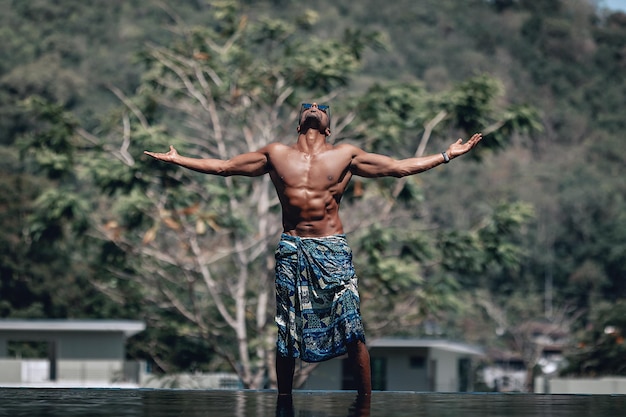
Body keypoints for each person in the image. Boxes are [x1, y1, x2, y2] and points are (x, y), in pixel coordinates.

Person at [144, 102, 482, 397]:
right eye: (309, 104)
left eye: (321, 106)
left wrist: (445, 155)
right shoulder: (275, 154)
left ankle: (364, 404)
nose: (315, 105)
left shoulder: (345, 155)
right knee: (286, 328)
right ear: (299, 123)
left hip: (331, 248)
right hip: (293, 248)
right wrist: (178, 160)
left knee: (352, 324)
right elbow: (224, 167)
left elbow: (397, 168)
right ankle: (285, 401)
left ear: (328, 127)